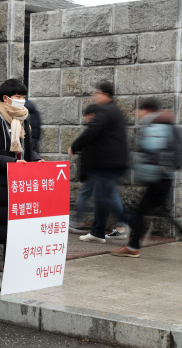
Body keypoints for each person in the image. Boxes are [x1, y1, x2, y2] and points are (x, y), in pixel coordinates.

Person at [0, 79, 43, 291]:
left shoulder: (24, 121)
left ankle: (15, 270)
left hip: (19, 185)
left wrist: (36, 160)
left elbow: (28, 149)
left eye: (23, 97)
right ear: (6, 98)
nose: (22, 101)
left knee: (17, 229)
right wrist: (12, 163)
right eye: (19, 97)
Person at [111, 98, 182, 261]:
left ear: (148, 110)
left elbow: (146, 153)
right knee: (148, 212)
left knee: (140, 212)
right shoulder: (167, 125)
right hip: (162, 179)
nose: (138, 113)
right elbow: (180, 153)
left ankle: (133, 246)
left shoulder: (154, 126)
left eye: (140, 110)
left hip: (157, 180)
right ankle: (133, 245)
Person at [69, 81, 129, 244]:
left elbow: (93, 131)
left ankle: (129, 221)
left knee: (103, 198)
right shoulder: (113, 110)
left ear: (105, 95)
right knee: (103, 198)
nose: (94, 96)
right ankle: (98, 232)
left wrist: (74, 146)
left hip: (108, 163)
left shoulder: (106, 111)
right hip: (110, 162)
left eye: (97, 93)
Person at [69, 104, 99, 234]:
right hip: (98, 169)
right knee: (106, 196)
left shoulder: (94, 128)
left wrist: (74, 147)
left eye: (86, 115)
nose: (85, 118)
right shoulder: (99, 128)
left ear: (91, 115)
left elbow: (84, 143)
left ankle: (78, 221)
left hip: (95, 169)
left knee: (84, 195)